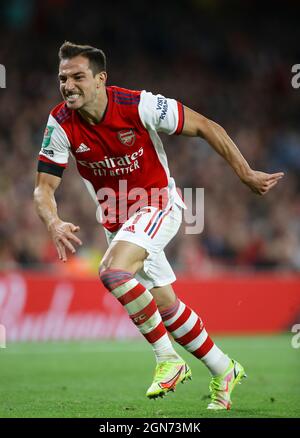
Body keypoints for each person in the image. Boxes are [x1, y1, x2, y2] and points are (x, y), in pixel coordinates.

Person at [34, 41, 284, 410]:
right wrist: (53, 221)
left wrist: (245, 173)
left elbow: (204, 125)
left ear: (101, 79)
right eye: (62, 78)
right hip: (119, 223)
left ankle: (167, 359)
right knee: (166, 305)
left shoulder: (138, 105)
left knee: (113, 272)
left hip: (158, 204)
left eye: (78, 77)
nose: (68, 85)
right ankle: (223, 368)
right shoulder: (60, 123)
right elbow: (43, 189)